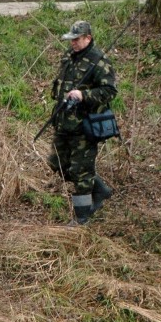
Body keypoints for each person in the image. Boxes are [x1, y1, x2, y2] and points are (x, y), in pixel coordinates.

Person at [47, 20, 118, 225]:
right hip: (63, 122)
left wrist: (83, 95)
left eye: (77, 39)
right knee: (58, 163)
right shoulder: (69, 57)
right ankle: (101, 190)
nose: (73, 43)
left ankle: (82, 217)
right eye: (71, 40)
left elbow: (109, 91)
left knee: (81, 172)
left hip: (84, 126)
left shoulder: (99, 61)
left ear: (88, 38)